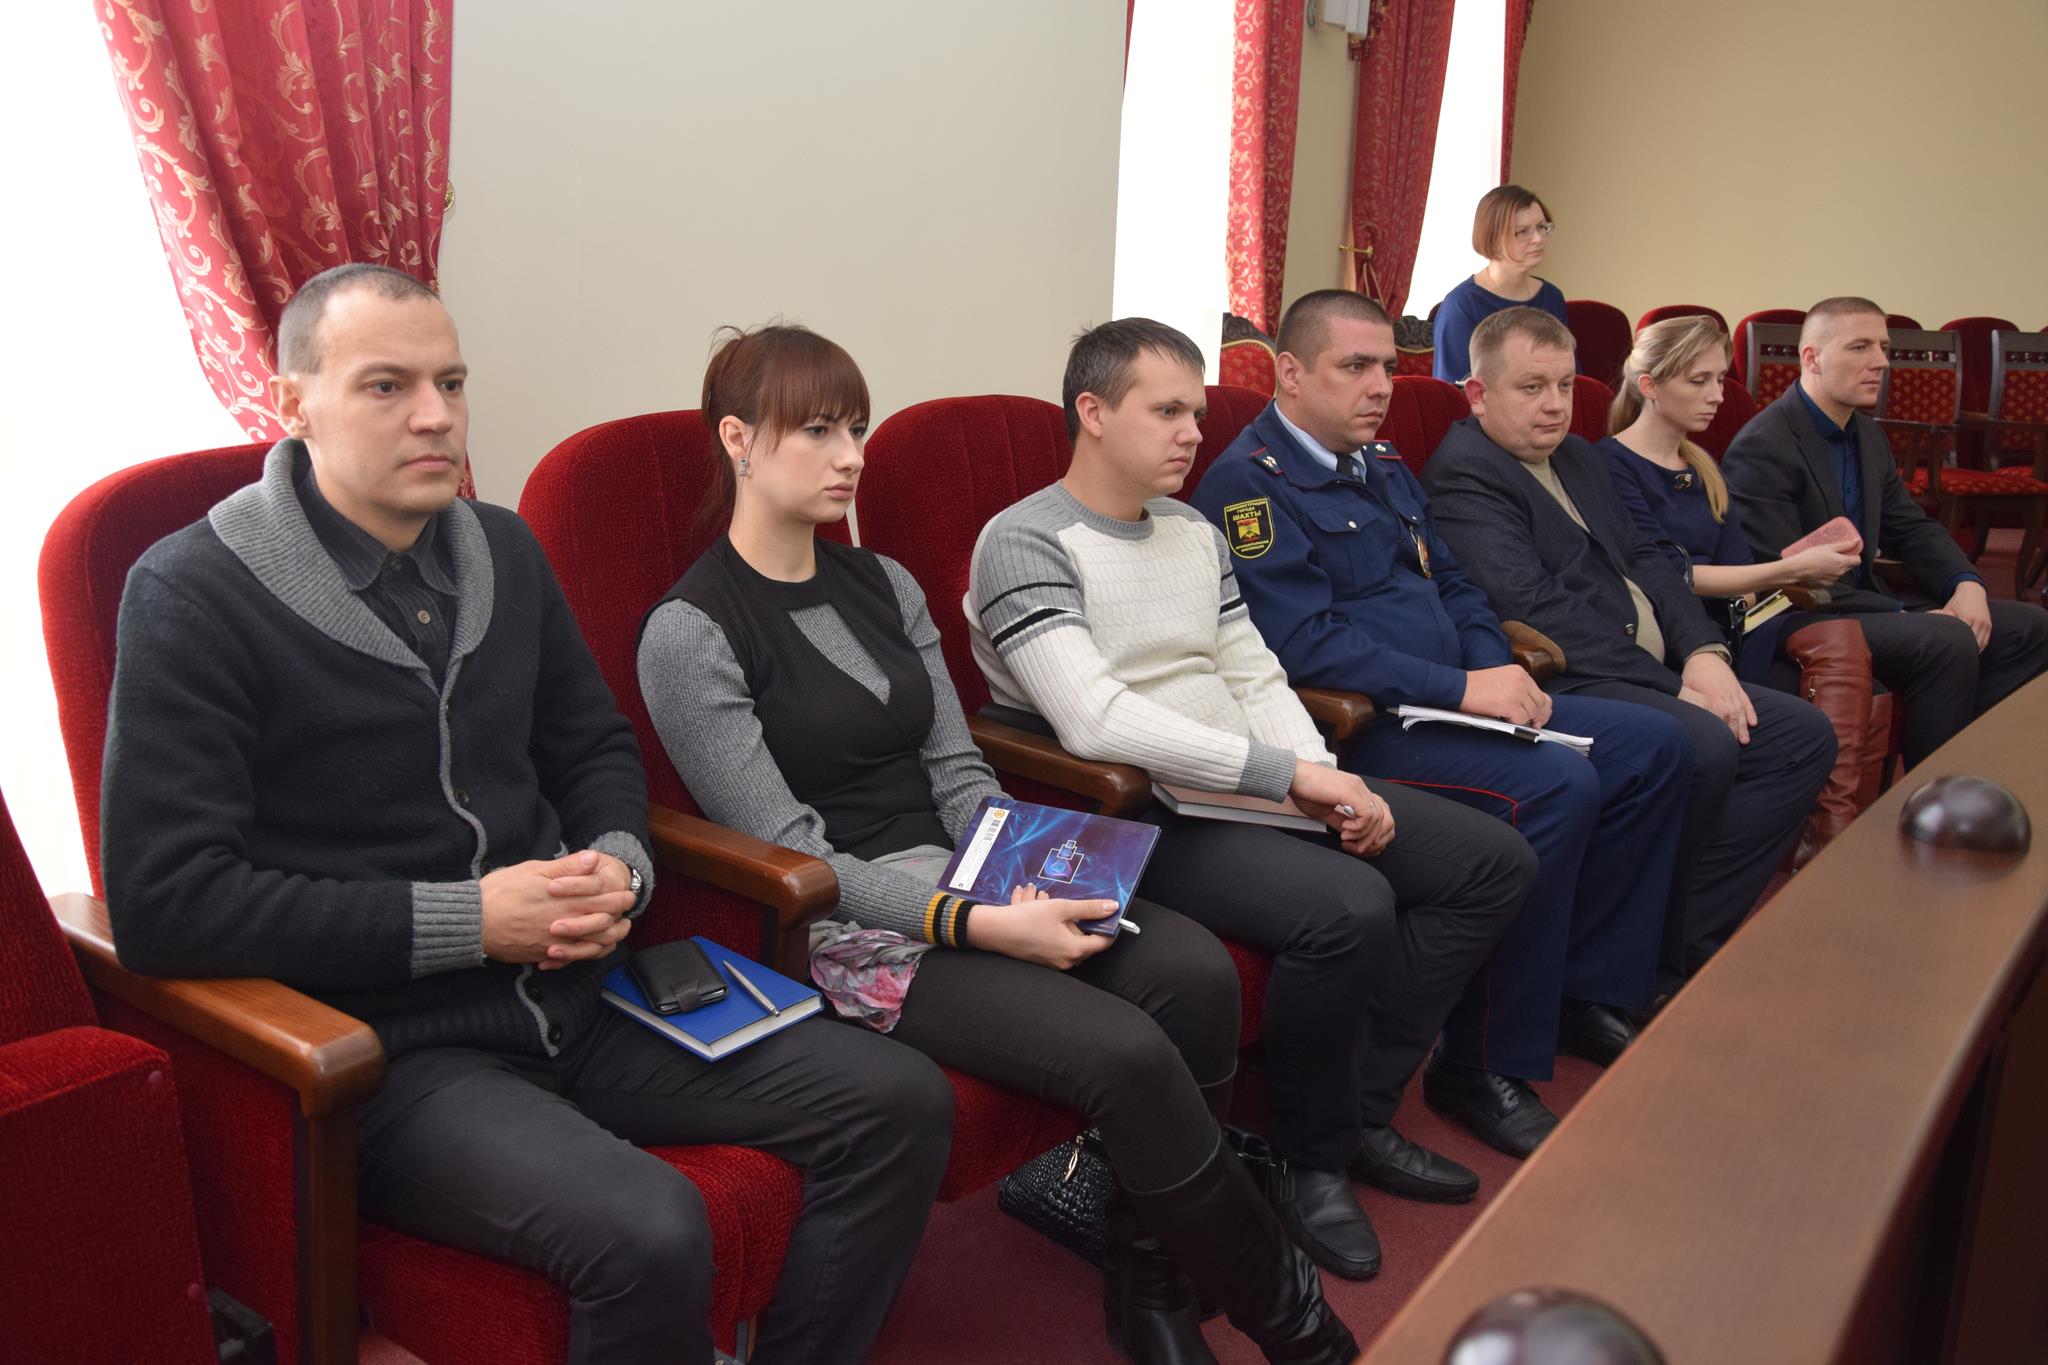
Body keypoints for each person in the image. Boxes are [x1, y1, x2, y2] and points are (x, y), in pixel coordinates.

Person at [99, 265, 954, 1365]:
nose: (435, 416)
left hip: (584, 992)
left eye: (451, 383)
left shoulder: (502, 549)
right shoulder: (192, 592)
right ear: (292, 403)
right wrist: (471, 921)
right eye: (386, 386)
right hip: (398, 1052)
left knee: (900, 1101)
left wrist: (619, 865)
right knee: (651, 1226)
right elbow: (166, 901)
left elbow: (593, 748)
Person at [638, 324, 1359, 1365]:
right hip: (844, 930)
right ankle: (1302, 1333)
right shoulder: (690, 630)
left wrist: (1023, 870)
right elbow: (795, 858)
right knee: (1124, 1054)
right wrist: (977, 922)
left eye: (857, 429)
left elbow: (956, 769)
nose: (851, 457)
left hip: (969, 880)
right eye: (818, 432)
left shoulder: (885, 583)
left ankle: (1148, 1281)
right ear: (739, 440)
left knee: (1195, 973)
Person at [969, 318, 1537, 1281]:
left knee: (1492, 863)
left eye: (1196, 411)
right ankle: (1312, 1162)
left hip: (1248, 781)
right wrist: (1289, 778)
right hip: (1136, 810)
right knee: (1350, 905)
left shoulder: (1192, 530)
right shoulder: (1024, 540)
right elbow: (1096, 718)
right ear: (1093, 413)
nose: (1194, 433)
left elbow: (1252, 671)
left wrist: (1326, 777)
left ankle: (1356, 1112)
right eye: (1167, 411)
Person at [1190, 290, 1689, 1159]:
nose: (1380, 385)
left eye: (1389, 365)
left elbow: (1452, 580)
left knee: (1659, 746)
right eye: (1355, 366)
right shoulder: (1249, 483)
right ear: (1290, 374)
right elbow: (1303, 645)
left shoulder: (1380, 463)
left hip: (1458, 698)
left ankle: (1582, 990)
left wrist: (1494, 667)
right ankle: (1480, 1060)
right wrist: (1463, 687)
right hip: (1366, 726)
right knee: (1559, 786)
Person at [1424, 306, 1836, 996]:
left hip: (1650, 665)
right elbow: (1536, 609)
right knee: (1705, 741)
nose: (1555, 404)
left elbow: (1651, 559)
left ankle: (1683, 940)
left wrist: (1703, 652)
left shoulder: (1579, 455)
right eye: (1532, 387)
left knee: (1801, 736)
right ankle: (1623, 971)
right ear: (1478, 394)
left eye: (1564, 385)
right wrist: (1675, 686)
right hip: (1571, 675)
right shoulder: (1466, 473)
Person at [1719, 296, 2048, 768]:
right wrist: (1904, 614)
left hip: (1864, 600)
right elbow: (1786, 580)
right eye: (1860, 347)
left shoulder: (1867, 435)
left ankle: (1973, 766)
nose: (1881, 362)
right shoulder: (1764, 445)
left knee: (2030, 628)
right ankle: (1928, 790)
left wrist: (1966, 583)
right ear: (1812, 358)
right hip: (1793, 613)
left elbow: (1911, 527)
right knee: (1946, 637)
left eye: (1884, 347)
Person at [1601, 314, 1883, 860]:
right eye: (1699, 380)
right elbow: (1664, 575)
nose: (1717, 395)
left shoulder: (1703, 466)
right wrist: (1789, 570)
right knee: (1834, 668)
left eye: (1720, 379)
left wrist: (1767, 580)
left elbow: (1739, 578)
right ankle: (1822, 834)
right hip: (1675, 634)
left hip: (1735, 621)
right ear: (1650, 386)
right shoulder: (1609, 464)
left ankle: (1829, 831)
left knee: (1844, 642)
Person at [1431, 184, 1573, 386]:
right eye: (1522, 232)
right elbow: (1453, 391)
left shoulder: (1551, 296)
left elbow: (1568, 374)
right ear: (1493, 238)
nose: (1538, 238)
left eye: (1542, 227)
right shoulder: (1461, 305)